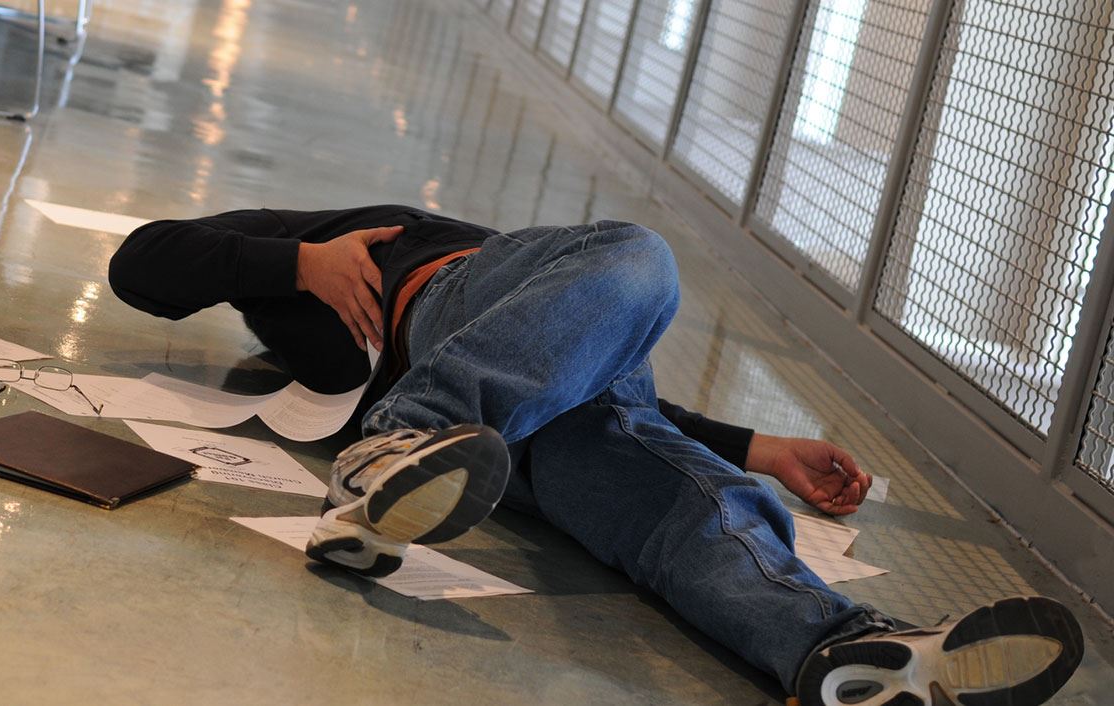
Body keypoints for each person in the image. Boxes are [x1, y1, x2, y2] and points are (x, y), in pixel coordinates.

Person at [107, 205, 1084, 706]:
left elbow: (563, 349)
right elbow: (141, 259)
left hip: (494, 391)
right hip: (469, 441)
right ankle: (400, 444)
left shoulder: (504, 269)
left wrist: (755, 446)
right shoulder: (325, 238)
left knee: (659, 452)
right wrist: (300, 260)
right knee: (642, 309)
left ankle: (839, 649)